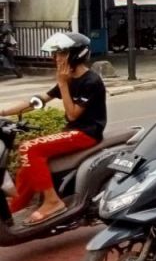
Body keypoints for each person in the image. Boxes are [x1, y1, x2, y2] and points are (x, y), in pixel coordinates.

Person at [3, 32, 106, 225]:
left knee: (29, 148)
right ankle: (14, 209)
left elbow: (72, 115)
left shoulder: (90, 81)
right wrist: (3, 111)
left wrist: (62, 84)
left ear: (75, 55)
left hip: (87, 134)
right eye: (56, 53)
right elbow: (37, 101)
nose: (56, 58)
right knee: (27, 162)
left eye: (61, 53)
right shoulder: (70, 79)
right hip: (72, 132)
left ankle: (52, 201)